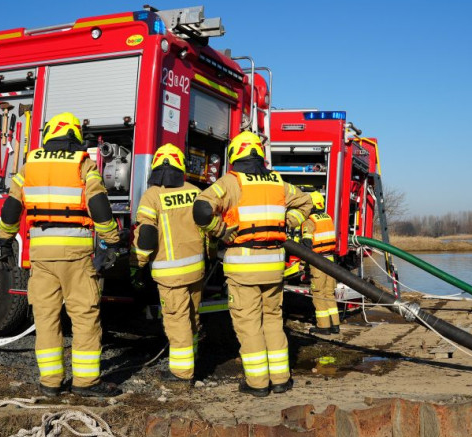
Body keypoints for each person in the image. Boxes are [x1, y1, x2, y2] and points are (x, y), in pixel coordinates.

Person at [0, 112, 123, 398]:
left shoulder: (30, 164)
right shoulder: (83, 163)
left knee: (45, 317)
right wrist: (112, 241)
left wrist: (4, 241)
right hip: (75, 253)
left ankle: (51, 382)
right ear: (75, 136)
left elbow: (11, 207)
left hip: (41, 254)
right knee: (83, 316)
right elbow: (99, 204)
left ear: (50, 134)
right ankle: (86, 383)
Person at [193, 131, 312, 397]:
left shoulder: (231, 183)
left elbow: (200, 209)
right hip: (273, 266)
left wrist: (220, 230)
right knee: (272, 320)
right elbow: (306, 202)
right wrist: (287, 221)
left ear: (235, 154)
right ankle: (281, 379)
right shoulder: (277, 183)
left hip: (243, 267)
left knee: (249, 324)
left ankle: (257, 383)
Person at [133, 144, 206, 385]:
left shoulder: (152, 196)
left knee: (177, 321)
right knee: (193, 317)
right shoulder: (196, 192)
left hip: (169, 274)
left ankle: (182, 373)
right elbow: (207, 230)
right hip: (196, 271)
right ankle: (194, 360)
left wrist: (139, 263)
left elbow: (146, 235)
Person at [302, 190, 341, 335]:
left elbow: (306, 243)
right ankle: (335, 325)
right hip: (330, 261)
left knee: (318, 294)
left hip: (318, 262)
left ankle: (323, 326)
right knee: (329, 294)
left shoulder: (310, 221)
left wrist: (302, 263)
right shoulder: (327, 218)